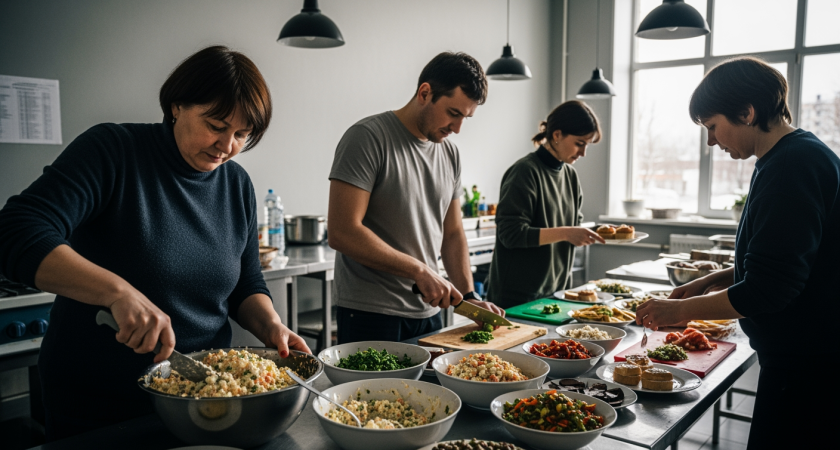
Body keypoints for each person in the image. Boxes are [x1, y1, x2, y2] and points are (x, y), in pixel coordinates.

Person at [0, 46, 310, 441]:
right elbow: (16, 229)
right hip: (102, 407)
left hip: (206, 400)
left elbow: (246, 283)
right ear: (177, 105)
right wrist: (117, 292)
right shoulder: (112, 151)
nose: (226, 146)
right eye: (216, 125)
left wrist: (272, 326)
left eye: (242, 135)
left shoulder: (236, 186)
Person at [635, 56, 840, 449]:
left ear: (746, 112)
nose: (711, 141)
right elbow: (780, 259)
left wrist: (678, 311)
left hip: (810, 366)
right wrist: (710, 280)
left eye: (713, 126)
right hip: (804, 359)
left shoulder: (791, 167)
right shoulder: (790, 156)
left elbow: (770, 289)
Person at [327, 52, 504, 343]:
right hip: (371, 313)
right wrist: (419, 270)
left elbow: (453, 232)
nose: (457, 128)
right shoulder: (368, 138)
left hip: (428, 313)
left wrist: (470, 297)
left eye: (466, 118)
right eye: (453, 113)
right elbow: (343, 232)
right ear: (425, 93)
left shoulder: (450, 153)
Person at [486, 101, 605, 307]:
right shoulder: (524, 172)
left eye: (587, 145)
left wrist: (601, 231)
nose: (583, 153)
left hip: (556, 294)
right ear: (557, 135)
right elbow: (511, 234)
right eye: (579, 143)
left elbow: (573, 227)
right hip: (516, 299)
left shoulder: (570, 176)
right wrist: (567, 233)